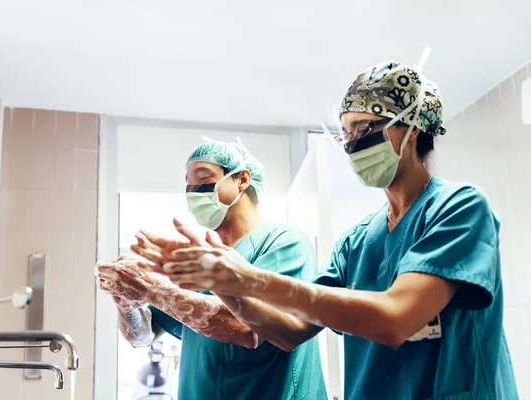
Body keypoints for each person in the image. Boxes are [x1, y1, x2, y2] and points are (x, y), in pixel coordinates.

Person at [148, 60, 520, 399]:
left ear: (412, 126)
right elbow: (289, 331)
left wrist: (249, 279)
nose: (352, 144)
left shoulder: (460, 207)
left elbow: (396, 319)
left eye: (364, 128)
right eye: (346, 133)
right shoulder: (356, 242)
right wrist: (224, 284)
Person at [96, 140, 327, 400]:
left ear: (242, 179)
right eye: (189, 184)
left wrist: (152, 290)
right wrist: (127, 300)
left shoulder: (284, 243)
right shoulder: (199, 260)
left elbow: (247, 328)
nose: (193, 191)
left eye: (204, 179)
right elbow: (142, 336)